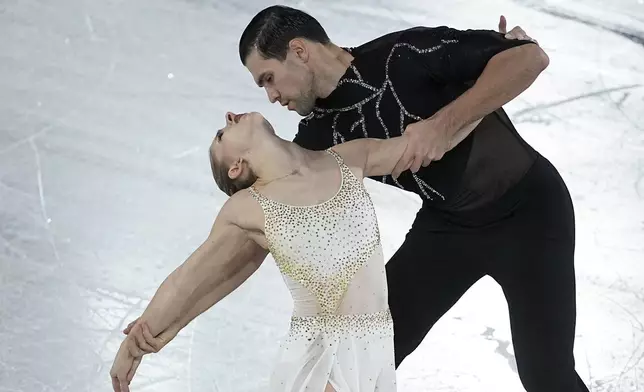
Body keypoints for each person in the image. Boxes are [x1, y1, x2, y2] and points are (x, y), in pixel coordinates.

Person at [232, 5, 589, 392]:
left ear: (299, 51)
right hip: (449, 230)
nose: (270, 96)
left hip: (531, 212)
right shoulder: (319, 134)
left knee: (547, 376)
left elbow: (529, 57)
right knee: (350, 365)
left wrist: (442, 125)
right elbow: (260, 218)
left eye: (268, 78)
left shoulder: (404, 54)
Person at [108, 111, 483, 392]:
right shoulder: (249, 207)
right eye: (222, 134)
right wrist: (138, 342)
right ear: (237, 167)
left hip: (374, 350)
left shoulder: (347, 157)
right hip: (322, 350)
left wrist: (488, 91)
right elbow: (190, 278)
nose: (229, 117)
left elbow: (434, 141)